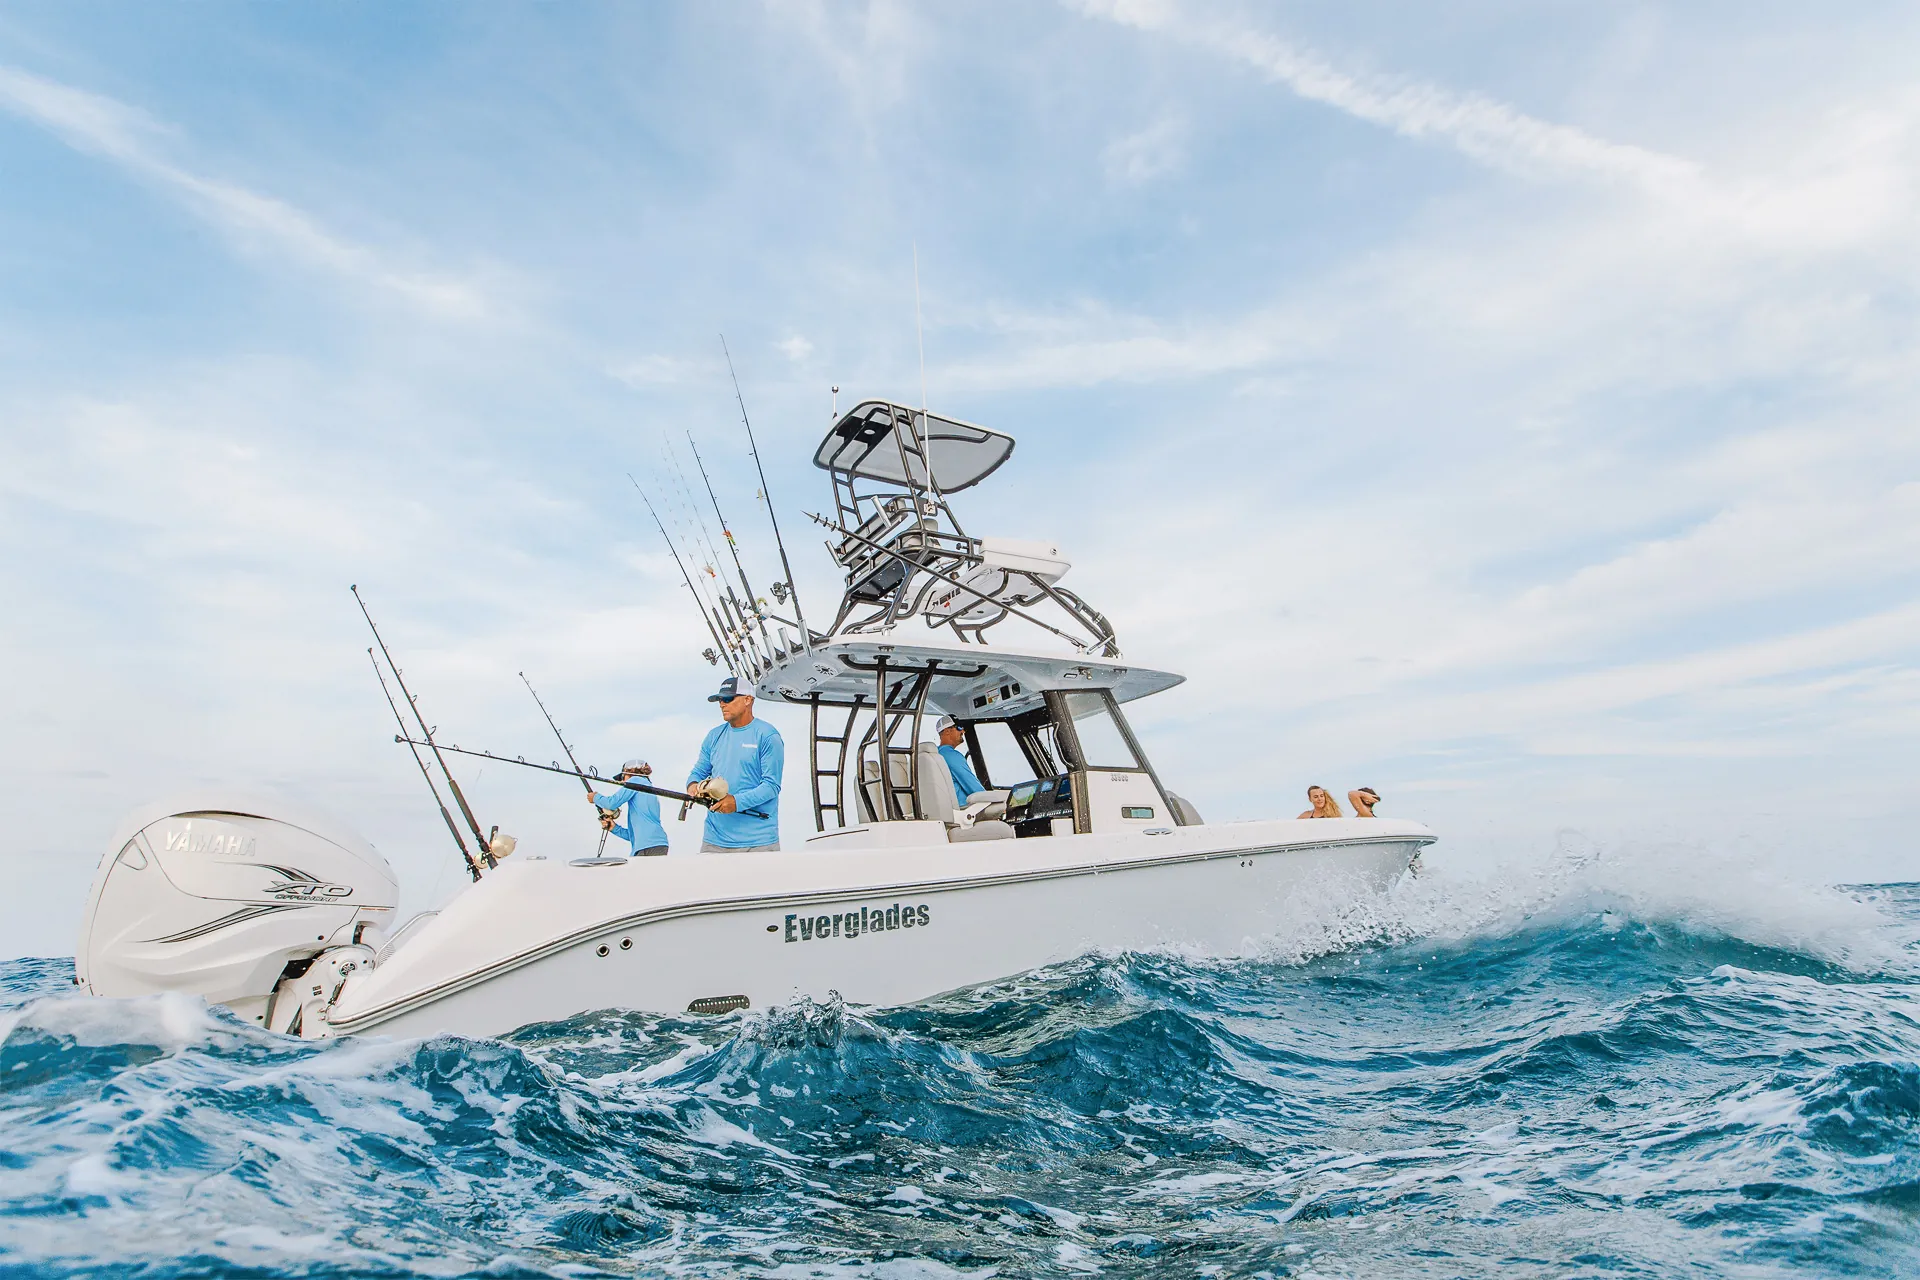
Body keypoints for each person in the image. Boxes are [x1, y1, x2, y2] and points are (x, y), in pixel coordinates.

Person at [687, 673, 784, 852]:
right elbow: (698, 772)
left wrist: (736, 802)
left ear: (748, 700)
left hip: (758, 842)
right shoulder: (714, 736)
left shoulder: (768, 736)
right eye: (720, 700)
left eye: (728, 699)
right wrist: (693, 786)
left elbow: (771, 786)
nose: (722, 704)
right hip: (714, 841)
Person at [592, 759, 670, 857]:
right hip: (654, 844)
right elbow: (633, 836)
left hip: (648, 846)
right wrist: (614, 828)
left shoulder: (636, 780)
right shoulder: (647, 788)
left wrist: (595, 797)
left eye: (622, 777)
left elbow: (612, 803)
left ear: (629, 772)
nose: (622, 782)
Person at [935, 715, 1009, 816]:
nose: (963, 731)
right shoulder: (952, 756)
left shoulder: (937, 754)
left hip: (949, 811)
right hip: (965, 811)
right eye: (959, 728)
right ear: (947, 731)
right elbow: (973, 787)